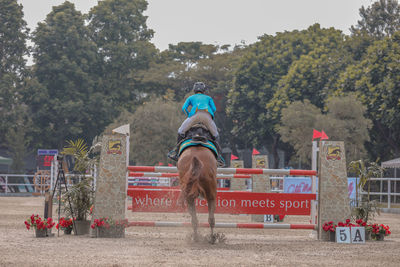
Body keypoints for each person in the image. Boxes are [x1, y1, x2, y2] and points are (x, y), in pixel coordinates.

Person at [168, 82, 223, 165]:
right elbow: (214, 109)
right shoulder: (208, 98)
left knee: (180, 131)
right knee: (216, 135)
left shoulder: (191, 97)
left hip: (194, 115)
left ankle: (176, 152)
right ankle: (218, 157)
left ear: (194, 90)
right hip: (207, 116)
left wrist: (189, 115)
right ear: (204, 90)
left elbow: (184, 108)